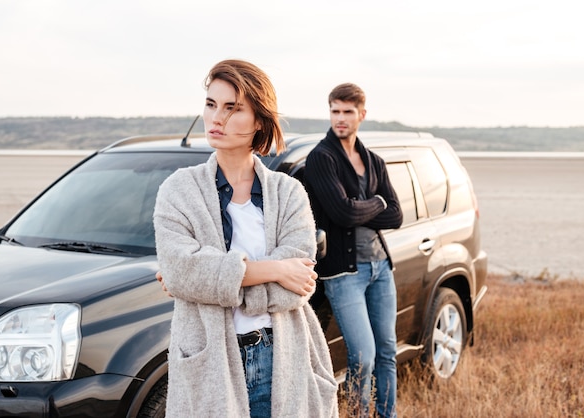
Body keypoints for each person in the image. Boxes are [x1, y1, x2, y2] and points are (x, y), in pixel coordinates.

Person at [153, 59, 338, 418]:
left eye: (233, 108)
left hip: (281, 355)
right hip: (210, 359)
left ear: (259, 121)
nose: (216, 118)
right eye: (211, 104)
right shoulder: (178, 190)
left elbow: (295, 285)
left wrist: (208, 281)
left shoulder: (289, 193)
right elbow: (181, 271)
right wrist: (276, 269)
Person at [304, 83, 403, 418]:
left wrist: (362, 206)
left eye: (347, 112)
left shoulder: (373, 160)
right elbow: (342, 213)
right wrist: (376, 202)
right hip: (343, 273)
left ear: (362, 114)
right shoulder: (322, 158)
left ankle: (386, 413)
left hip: (380, 267)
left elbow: (397, 215)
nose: (340, 118)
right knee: (363, 354)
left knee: (387, 350)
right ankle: (360, 414)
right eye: (335, 111)